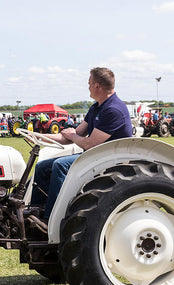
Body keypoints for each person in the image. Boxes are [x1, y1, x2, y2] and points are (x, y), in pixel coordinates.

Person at [30, 67, 132, 220]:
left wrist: (72, 135)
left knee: (60, 165)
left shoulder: (113, 110)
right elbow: (74, 135)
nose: (88, 87)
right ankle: (36, 211)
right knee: (42, 167)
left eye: (89, 83)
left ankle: (52, 219)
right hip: (95, 155)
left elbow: (90, 144)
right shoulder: (97, 107)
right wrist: (39, 137)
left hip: (109, 159)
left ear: (97, 85)